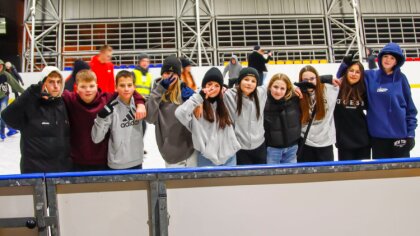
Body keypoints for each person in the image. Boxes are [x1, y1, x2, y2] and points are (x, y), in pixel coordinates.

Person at [337, 43, 417, 159]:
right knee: (382, 175)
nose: (388, 60)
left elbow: (410, 109)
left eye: (392, 58)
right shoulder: (370, 76)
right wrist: (345, 63)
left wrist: (410, 134)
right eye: (385, 56)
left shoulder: (401, 79)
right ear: (380, 58)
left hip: (400, 137)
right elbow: (345, 77)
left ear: (396, 61)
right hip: (377, 138)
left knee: (399, 175)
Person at [62, 69, 146, 171]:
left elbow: (127, 91)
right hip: (77, 160)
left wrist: (140, 103)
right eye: (83, 87)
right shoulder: (70, 99)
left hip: (103, 161)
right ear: (76, 88)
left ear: (97, 86)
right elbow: (55, 91)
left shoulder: (107, 99)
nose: (88, 90)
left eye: (92, 86)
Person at [1, 66, 72, 173]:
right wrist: (32, 92)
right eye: (51, 82)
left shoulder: (65, 104)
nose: (56, 86)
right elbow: (7, 117)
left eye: (59, 82)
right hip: (35, 171)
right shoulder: (30, 104)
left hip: (61, 170)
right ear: (42, 83)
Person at [175, 67, 240, 167]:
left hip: (229, 158)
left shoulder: (226, 103)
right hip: (206, 158)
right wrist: (198, 97)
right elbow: (179, 113)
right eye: (209, 84)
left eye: (217, 85)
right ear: (204, 86)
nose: (212, 88)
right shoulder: (196, 106)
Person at [145, 55, 196, 167]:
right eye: (167, 73)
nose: (170, 77)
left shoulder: (185, 93)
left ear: (178, 75)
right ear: (162, 74)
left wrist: (195, 99)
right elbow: (149, 118)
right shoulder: (155, 95)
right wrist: (160, 90)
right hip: (172, 155)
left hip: (192, 152)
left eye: (173, 74)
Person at [92, 70, 145, 169]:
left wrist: (142, 104)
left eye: (129, 85)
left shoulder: (140, 104)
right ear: (116, 87)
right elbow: (96, 138)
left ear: (134, 87)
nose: (126, 89)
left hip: (137, 161)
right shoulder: (111, 108)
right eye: (122, 85)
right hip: (117, 164)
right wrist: (100, 118)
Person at [224, 67, 268, 165]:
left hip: (259, 146)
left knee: (261, 177)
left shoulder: (261, 93)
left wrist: (295, 88)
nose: (249, 83)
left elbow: (279, 82)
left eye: (253, 81)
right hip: (240, 148)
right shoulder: (229, 95)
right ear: (240, 81)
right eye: (246, 79)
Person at [297, 65, 339, 163]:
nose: (309, 82)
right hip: (305, 143)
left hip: (325, 144)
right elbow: (277, 84)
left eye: (312, 78)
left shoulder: (329, 90)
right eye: (305, 80)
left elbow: (349, 78)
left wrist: (325, 78)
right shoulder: (297, 94)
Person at [334, 61, 371, 161]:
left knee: (364, 175)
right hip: (344, 143)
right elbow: (317, 82)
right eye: (351, 71)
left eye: (358, 72)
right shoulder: (336, 89)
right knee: (346, 175)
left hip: (363, 141)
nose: (354, 74)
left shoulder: (365, 89)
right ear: (345, 72)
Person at [264, 73, 301, 164]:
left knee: (291, 176)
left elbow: (313, 84)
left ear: (287, 89)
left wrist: (327, 79)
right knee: (273, 176)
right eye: (275, 87)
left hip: (292, 149)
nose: (278, 91)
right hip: (272, 149)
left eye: (282, 88)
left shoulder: (295, 99)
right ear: (269, 87)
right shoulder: (263, 101)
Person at [0, 60, 24, 140]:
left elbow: (14, 84)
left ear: (3, 66)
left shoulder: (6, 75)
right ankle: (10, 128)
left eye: (1, 66)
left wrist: (24, 92)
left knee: (2, 113)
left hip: (4, 96)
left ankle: (2, 132)